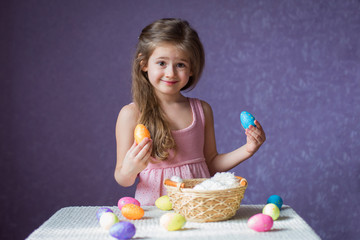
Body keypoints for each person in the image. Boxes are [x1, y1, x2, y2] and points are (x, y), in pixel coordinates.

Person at [114, 18, 266, 205]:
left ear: (192, 68)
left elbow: (210, 164)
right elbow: (122, 178)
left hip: (198, 207)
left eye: (180, 65)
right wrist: (130, 168)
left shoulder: (202, 110)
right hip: (155, 210)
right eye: (161, 63)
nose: (170, 73)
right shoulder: (131, 114)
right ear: (144, 64)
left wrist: (248, 149)